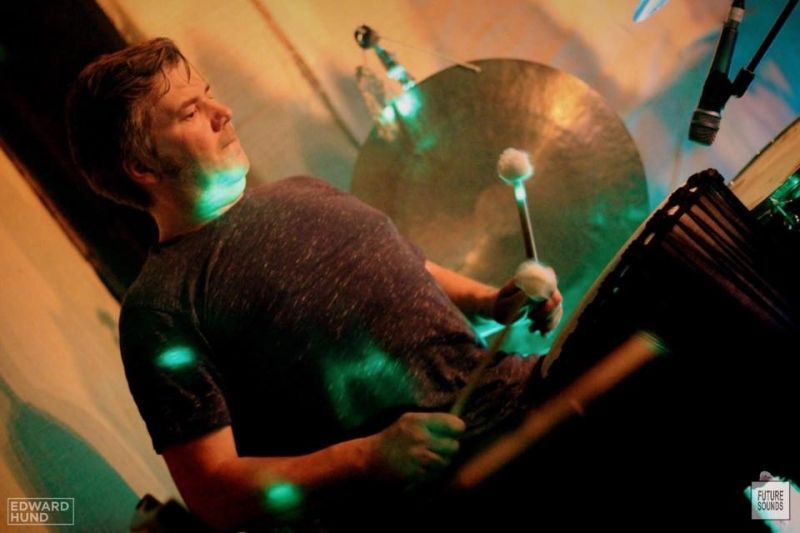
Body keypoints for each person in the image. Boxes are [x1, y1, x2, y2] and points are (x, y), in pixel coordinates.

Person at [66, 37, 562, 532]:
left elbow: (411, 274)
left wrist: (492, 303)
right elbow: (214, 493)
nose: (223, 112)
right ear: (142, 166)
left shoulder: (302, 189)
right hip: (454, 485)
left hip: (531, 391)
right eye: (191, 112)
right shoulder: (161, 308)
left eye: (209, 94)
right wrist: (367, 456)